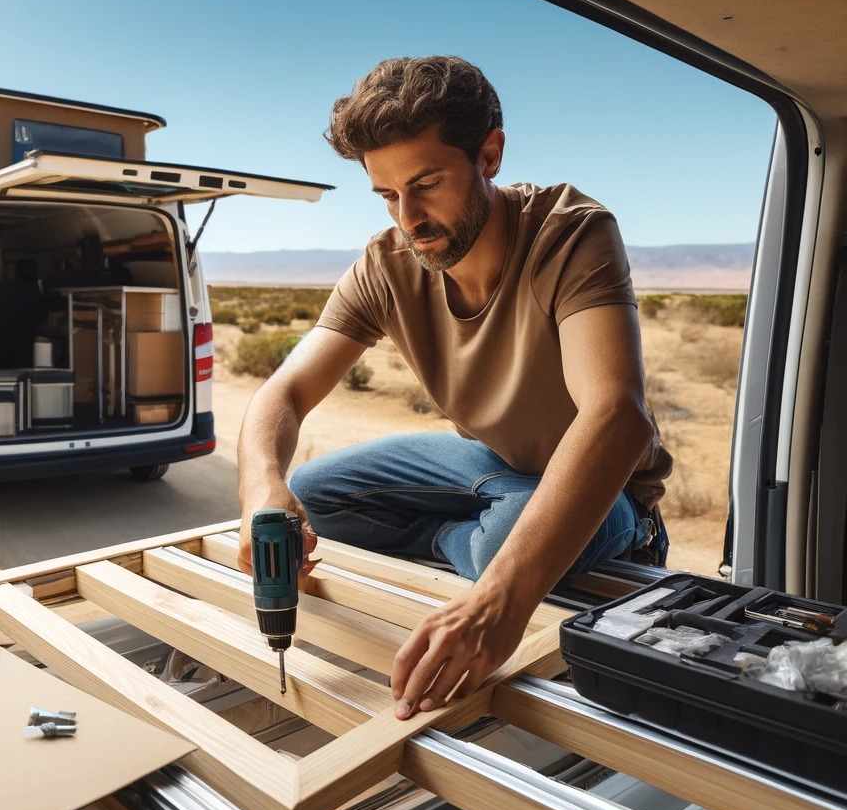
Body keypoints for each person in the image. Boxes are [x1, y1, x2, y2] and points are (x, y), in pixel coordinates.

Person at [236, 55, 672, 720]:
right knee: (312, 502)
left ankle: (472, 540)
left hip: (611, 497)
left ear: (489, 154)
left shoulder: (570, 231)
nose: (408, 218)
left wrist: (498, 601)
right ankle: (461, 536)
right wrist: (262, 489)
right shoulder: (386, 265)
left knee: (505, 551)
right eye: (387, 195)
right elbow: (282, 395)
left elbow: (617, 415)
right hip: (495, 470)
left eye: (427, 184)